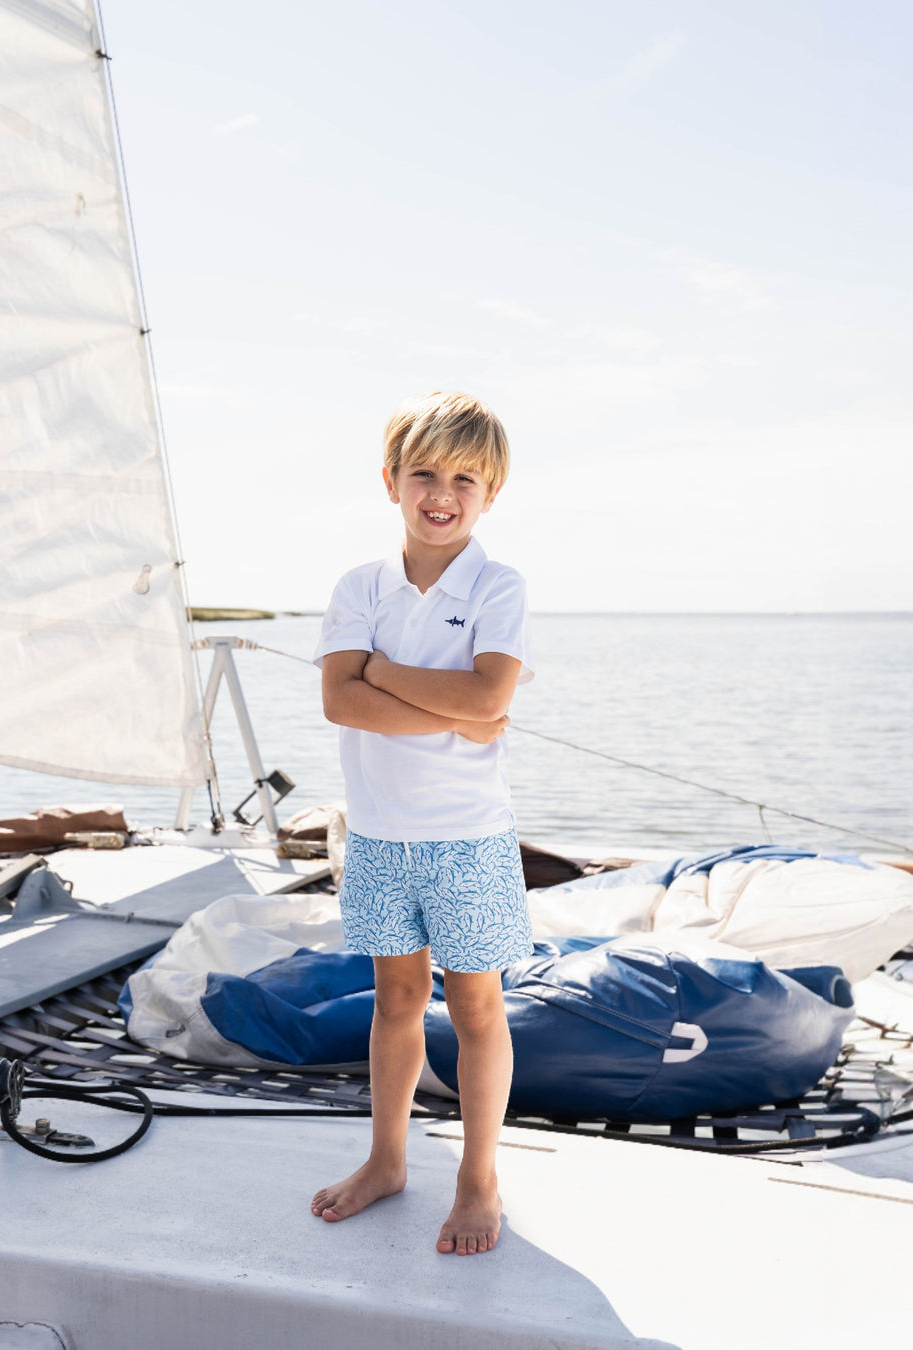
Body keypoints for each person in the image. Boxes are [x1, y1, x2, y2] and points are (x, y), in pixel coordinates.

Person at [310, 390, 533, 1256]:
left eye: (464, 479)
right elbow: (340, 700)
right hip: (376, 836)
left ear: (490, 494)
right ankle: (387, 1160)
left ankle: (479, 1181)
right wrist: (462, 711)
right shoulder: (358, 585)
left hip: (469, 838)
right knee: (396, 1000)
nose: (442, 493)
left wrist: (385, 674)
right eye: (424, 473)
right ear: (392, 482)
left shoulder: (498, 587)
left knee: (477, 1006)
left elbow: (491, 697)